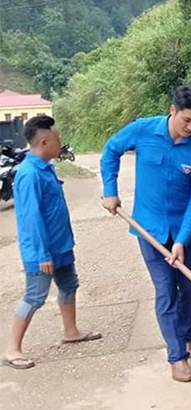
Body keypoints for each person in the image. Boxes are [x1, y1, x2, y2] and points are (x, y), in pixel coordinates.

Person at [100, 85, 191, 383]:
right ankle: (176, 355)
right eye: (186, 120)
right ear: (172, 109)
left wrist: (181, 240)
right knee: (166, 291)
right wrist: (109, 190)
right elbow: (111, 151)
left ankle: (187, 337)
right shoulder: (143, 130)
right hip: (148, 229)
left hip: (185, 231)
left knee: (189, 288)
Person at [3, 115, 102, 370]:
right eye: (57, 139)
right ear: (45, 142)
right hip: (42, 250)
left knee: (69, 284)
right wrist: (42, 253)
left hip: (60, 245)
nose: (60, 143)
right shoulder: (29, 174)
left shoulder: (46, 167)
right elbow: (31, 218)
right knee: (35, 296)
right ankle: (12, 349)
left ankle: (71, 331)